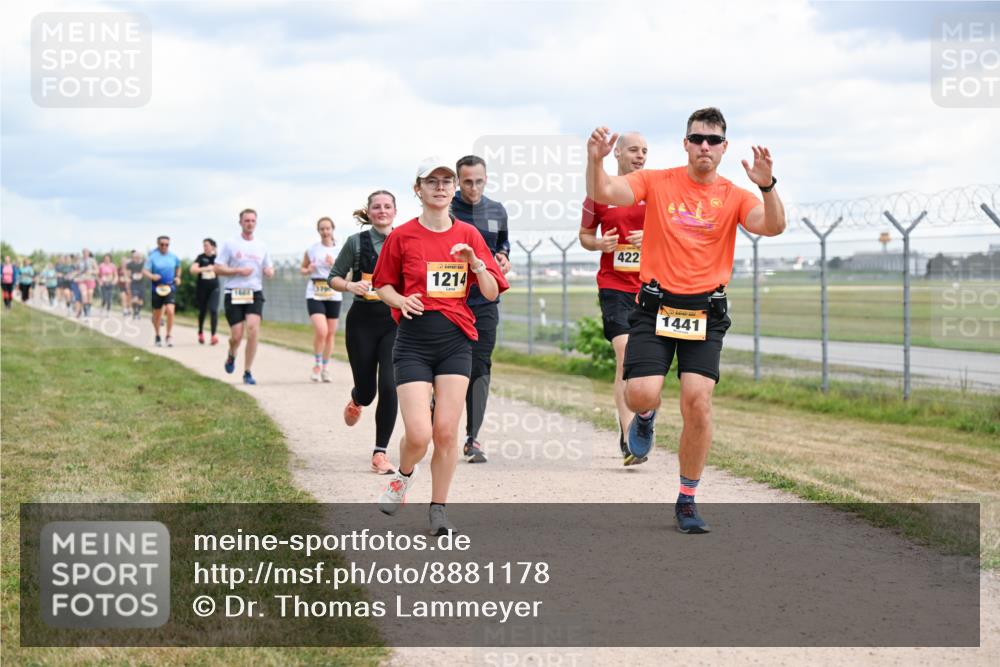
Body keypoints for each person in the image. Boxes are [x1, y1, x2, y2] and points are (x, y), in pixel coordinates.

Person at [586, 107, 786, 533]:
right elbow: (605, 191)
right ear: (686, 143)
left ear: (724, 148)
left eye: (713, 141)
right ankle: (644, 418)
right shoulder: (657, 181)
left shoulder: (734, 194)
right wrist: (595, 160)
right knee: (640, 394)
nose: (705, 147)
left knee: (698, 402)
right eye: (697, 139)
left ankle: (688, 499)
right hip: (655, 305)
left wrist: (767, 185)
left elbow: (772, 226)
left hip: (705, 312)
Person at [374, 157, 508, 535]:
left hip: (455, 342)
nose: (440, 186)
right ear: (417, 189)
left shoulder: (468, 234)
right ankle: (402, 477)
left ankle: (439, 509)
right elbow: (382, 284)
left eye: (446, 181)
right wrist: (399, 301)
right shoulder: (402, 236)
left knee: (446, 432)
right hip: (414, 342)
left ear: (453, 189)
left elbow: (492, 290)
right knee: (419, 434)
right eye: (431, 181)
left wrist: (477, 264)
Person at [579, 131, 648, 464]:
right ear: (618, 153)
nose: (640, 155)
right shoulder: (599, 192)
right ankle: (628, 433)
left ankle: (642, 419)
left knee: (646, 367)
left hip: (650, 286)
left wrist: (650, 240)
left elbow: (676, 234)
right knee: (624, 353)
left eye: (645, 151)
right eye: (633, 150)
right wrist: (598, 245)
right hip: (614, 286)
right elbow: (584, 236)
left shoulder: (655, 191)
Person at [329, 190, 399, 475]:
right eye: (377, 207)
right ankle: (358, 398)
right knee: (369, 391)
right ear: (369, 213)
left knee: (390, 386)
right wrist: (349, 286)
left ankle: (380, 453)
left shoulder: (404, 240)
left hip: (394, 321)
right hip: (362, 322)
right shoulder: (355, 243)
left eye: (387, 206)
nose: (382, 211)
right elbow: (332, 277)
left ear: (395, 211)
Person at [449, 154, 512, 463]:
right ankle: (440, 415)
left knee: (480, 367)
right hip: (451, 302)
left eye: (479, 181)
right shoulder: (446, 210)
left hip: (485, 301)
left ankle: (473, 438)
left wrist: (503, 257)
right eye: (467, 182)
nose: (473, 188)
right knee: (449, 366)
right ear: (458, 181)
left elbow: (503, 245)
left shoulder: (497, 210)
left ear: (486, 179)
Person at [214, 208, 274, 385]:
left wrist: (269, 271)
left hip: (254, 292)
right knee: (237, 336)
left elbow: (269, 267)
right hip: (234, 292)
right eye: (246, 220)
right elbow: (217, 268)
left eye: (253, 220)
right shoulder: (230, 243)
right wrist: (238, 270)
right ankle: (232, 354)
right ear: (240, 222)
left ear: (256, 222)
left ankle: (247, 371)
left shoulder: (262, 246)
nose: (250, 223)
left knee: (253, 330)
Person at [301, 217, 342, 381]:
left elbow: (346, 274)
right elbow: (302, 270)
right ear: (318, 231)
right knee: (321, 331)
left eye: (328, 228)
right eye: (322, 229)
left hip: (333, 293)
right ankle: (316, 365)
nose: (325, 232)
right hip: (315, 293)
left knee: (331, 333)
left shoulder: (340, 250)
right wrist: (308, 269)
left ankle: (325, 368)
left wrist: (334, 265)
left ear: (333, 229)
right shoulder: (312, 250)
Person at [143, 236, 182, 347]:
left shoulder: (173, 256)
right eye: (162, 244)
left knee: (170, 310)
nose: (164, 246)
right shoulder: (152, 257)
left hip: (170, 287)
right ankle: (157, 335)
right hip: (156, 288)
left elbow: (179, 267)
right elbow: (145, 270)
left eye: (167, 244)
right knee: (157, 315)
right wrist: (152, 276)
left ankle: (169, 335)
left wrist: (178, 277)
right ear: (158, 244)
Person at [190, 238, 221, 345]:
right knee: (202, 311)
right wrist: (206, 268)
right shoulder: (200, 257)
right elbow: (193, 270)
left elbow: (223, 266)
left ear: (212, 246)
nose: (205, 247)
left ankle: (213, 336)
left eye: (207, 245)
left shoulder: (217, 258)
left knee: (213, 310)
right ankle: (200, 332)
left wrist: (216, 254)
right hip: (202, 288)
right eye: (204, 245)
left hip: (214, 288)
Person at [76, 249, 98, 317]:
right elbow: (77, 271)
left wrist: (92, 271)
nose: (85, 253)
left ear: (88, 253)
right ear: (82, 253)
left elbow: (97, 270)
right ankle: (86, 312)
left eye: (86, 252)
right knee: (84, 294)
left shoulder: (92, 261)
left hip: (90, 279)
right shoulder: (79, 261)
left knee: (90, 294)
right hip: (82, 279)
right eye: (84, 252)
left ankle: (88, 309)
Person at [126, 250, 146, 319]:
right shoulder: (130, 264)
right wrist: (131, 278)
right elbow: (128, 274)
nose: (136, 258)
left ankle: (138, 313)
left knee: (141, 301)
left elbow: (146, 270)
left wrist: (141, 274)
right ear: (133, 257)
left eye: (138, 256)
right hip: (134, 284)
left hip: (142, 283)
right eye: (134, 257)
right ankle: (135, 311)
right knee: (134, 299)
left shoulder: (143, 263)